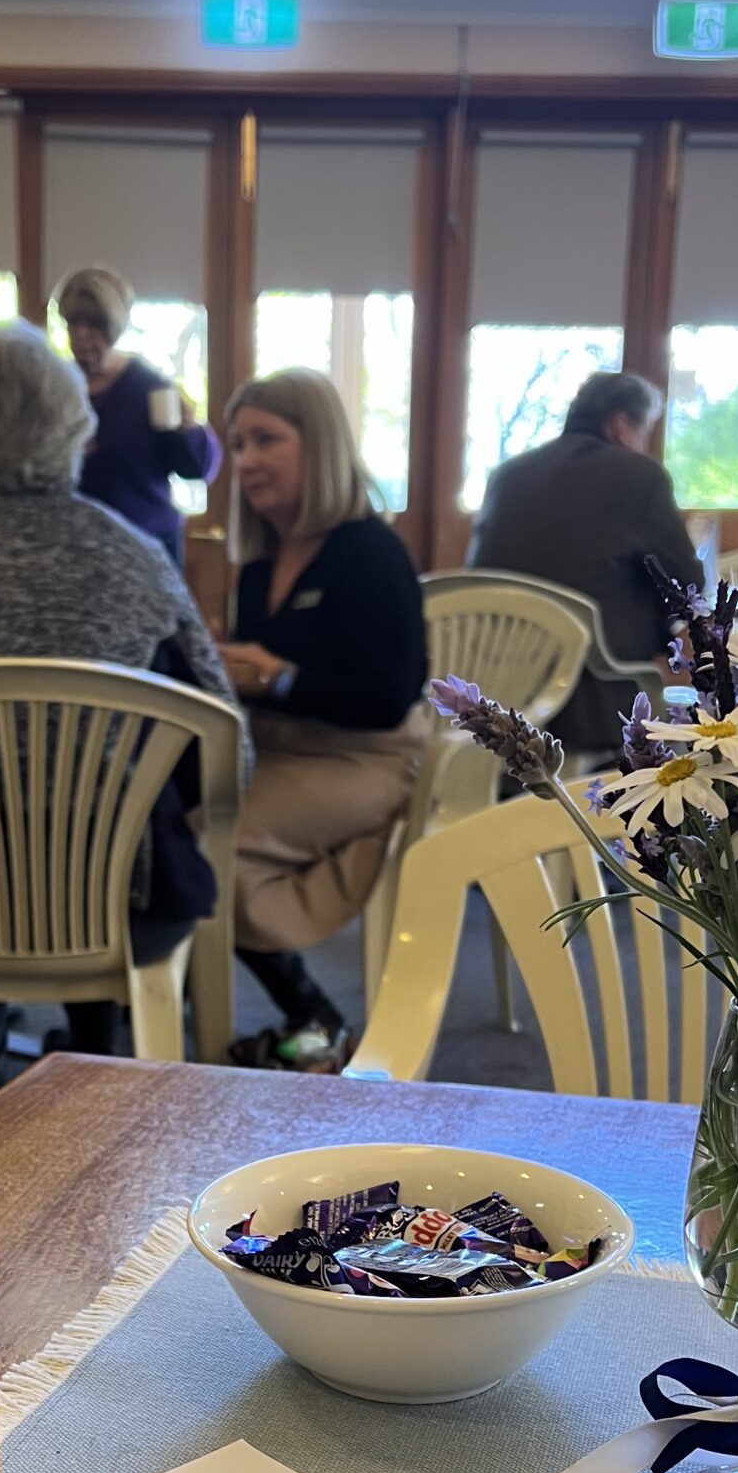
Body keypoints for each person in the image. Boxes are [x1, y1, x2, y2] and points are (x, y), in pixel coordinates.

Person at [0, 320, 243, 1092]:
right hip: (125, 901)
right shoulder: (137, 559)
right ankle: (97, 1051)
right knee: (123, 828)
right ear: (75, 426)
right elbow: (231, 757)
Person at [221, 367, 428, 1054]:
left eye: (266, 440)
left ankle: (315, 1016)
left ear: (320, 445)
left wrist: (280, 679)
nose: (246, 460)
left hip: (365, 756)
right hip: (276, 748)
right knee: (157, 827)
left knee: (202, 848)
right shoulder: (259, 563)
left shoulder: (372, 554)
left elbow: (389, 698)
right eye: (239, 444)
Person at [465, 369, 703, 751]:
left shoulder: (506, 475)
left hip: (498, 687)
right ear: (621, 426)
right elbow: (687, 585)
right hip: (593, 697)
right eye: (645, 432)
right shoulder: (640, 476)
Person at [55, 266, 222, 565]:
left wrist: (189, 430)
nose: (80, 335)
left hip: (145, 546)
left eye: (93, 325)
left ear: (114, 326)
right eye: (73, 323)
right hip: (75, 545)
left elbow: (196, 468)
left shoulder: (150, 388)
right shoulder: (54, 387)